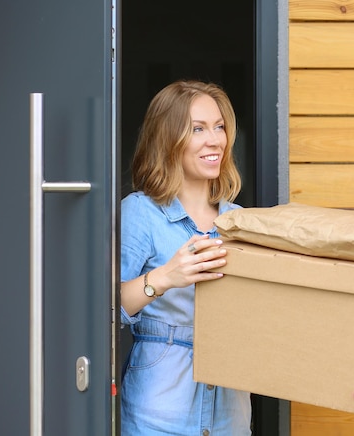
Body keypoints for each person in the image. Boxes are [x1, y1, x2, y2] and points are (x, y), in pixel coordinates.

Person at [120, 80, 251, 435]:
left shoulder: (241, 221)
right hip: (159, 409)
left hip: (231, 411)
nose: (215, 140)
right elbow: (106, 310)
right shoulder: (140, 213)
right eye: (197, 129)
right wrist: (165, 277)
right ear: (168, 139)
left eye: (219, 127)